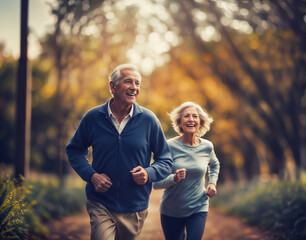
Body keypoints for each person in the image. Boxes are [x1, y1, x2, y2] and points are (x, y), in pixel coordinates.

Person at [66, 63, 173, 240]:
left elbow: (166, 160)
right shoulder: (93, 117)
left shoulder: (148, 120)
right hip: (101, 202)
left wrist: (148, 173)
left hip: (135, 207)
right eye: (128, 82)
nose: (134, 88)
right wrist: (92, 176)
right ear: (112, 87)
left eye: (137, 83)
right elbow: (75, 150)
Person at [153, 101, 220, 240]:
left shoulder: (207, 146)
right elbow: (156, 183)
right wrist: (174, 178)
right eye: (186, 116)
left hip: (198, 206)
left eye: (195, 116)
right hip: (171, 210)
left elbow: (214, 164)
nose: (191, 119)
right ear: (179, 122)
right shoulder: (168, 146)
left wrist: (212, 183)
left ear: (200, 122)